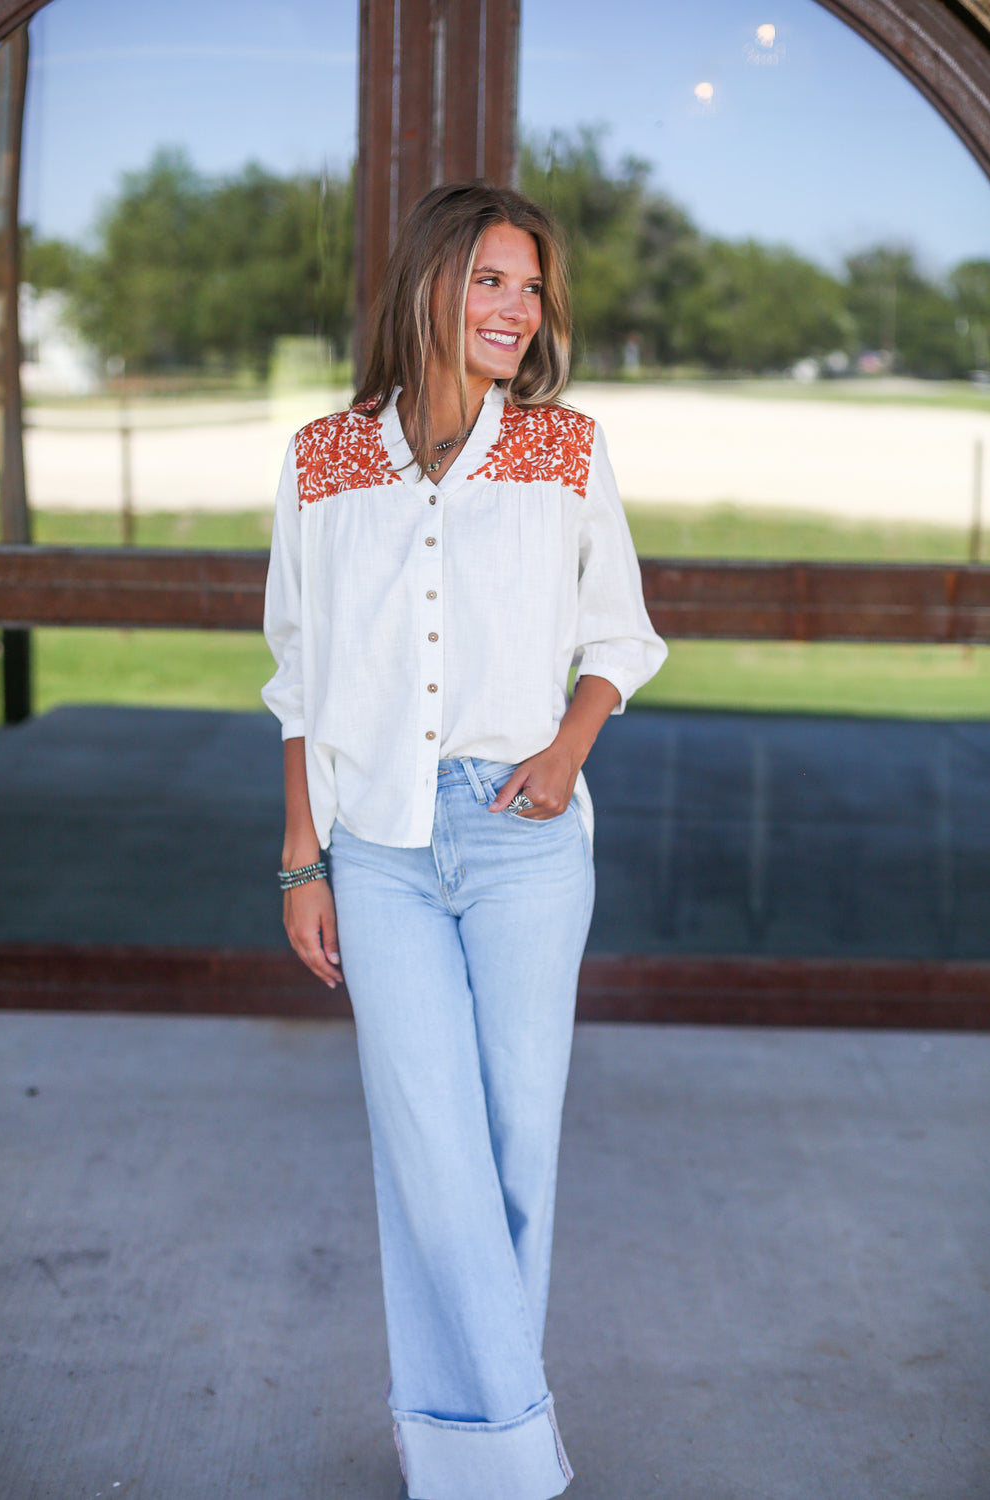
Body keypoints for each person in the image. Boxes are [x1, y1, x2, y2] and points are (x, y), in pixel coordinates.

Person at [262, 179, 667, 1500]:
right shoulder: (324, 458)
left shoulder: (566, 449)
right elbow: (299, 674)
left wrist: (565, 752)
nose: (517, 307)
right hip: (374, 846)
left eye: (534, 286)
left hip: (525, 839)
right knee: (428, 1152)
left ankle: (464, 1455)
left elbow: (618, 636)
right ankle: (511, 1456)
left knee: (515, 1151)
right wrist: (300, 857)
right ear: (433, 283)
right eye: (494, 277)